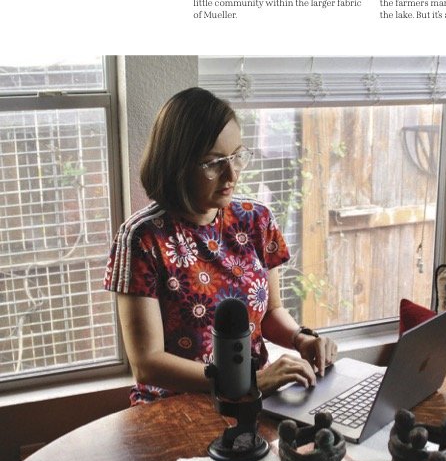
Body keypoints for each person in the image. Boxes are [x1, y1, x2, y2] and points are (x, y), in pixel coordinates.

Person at [104, 87, 337, 404]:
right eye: (213, 163)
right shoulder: (142, 238)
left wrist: (302, 339)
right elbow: (148, 364)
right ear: (178, 163)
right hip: (176, 405)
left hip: (254, 397)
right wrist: (242, 381)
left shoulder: (256, 220)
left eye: (237, 156)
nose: (232, 174)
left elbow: (270, 313)